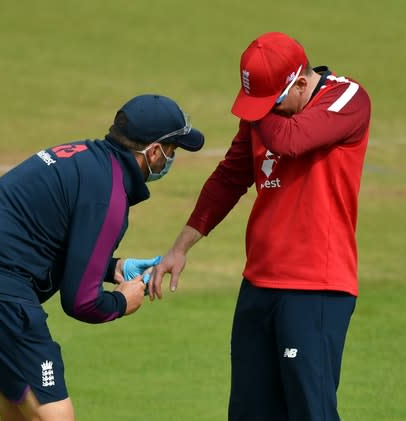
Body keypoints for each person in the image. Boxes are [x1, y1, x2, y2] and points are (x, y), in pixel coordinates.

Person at [0, 94, 204, 420]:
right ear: (153, 152)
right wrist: (122, 302)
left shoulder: (85, 157)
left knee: (18, 415)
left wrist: (114, 267)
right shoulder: (109, 194)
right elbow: (81, 302)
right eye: (172, 151)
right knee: (55, 416)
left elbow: (51, 237)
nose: (171, 159)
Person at [151, 32, 371, 420]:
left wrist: (258, 112)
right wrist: (180, 247)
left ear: (301, 83)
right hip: (258, 286)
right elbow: (228, 179)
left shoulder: (348, 97)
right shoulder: (266, 117)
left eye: (270, 101)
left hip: (315, 289)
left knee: (310, 412)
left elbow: (291, 141)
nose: (257, 113)